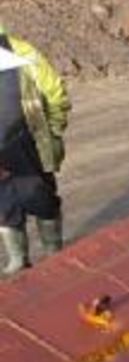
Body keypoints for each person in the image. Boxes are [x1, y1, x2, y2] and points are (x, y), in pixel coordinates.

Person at [0, 23, 70, 276]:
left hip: (29, 143)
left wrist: (52, 130)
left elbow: (55, 94)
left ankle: (54, 253)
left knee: (41, 199)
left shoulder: (23, 53)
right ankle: (18, 261)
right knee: (4, 208)